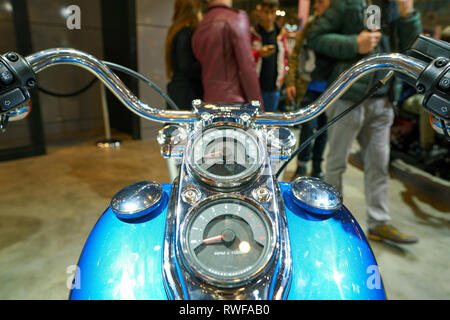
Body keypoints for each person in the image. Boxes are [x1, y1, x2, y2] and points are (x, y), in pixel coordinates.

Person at [307, 0, 422, 244]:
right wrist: (353, 44)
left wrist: (408, 14)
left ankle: (379, 223)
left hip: (383, 100)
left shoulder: (395, 8)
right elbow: (315, 37)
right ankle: (329, 220)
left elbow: (414, 51)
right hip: (349, 97)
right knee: (336, 163)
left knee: (379, 164)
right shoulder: (347, 4)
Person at [285, 0, 332, 179]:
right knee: (308, 128)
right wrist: (290, 82)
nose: (316, 6)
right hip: (308, 87)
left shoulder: (337, 27)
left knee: (324, 130)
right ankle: (302, 166)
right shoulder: (311, 25)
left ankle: (318, 167)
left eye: (321, 2)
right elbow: (296, 53)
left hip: (330, 88)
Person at [192, 0, 263, 106]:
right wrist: (258, 106)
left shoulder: (202, 24)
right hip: (235, 103)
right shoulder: (235, 18)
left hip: (209, 100)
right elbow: (247, 68)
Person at [165, 0, 203, 110]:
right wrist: (209, 65)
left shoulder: (176, 30)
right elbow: (187, 67)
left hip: (179, 90)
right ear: (194, 11)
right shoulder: (186, 33)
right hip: (187, 93)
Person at [251, 0, 288, 112]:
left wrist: (283, 80)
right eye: (266, 12)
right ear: (260, 11)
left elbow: (285, 57)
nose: (269, 16)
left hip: (274, 87)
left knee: (270, 122)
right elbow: (245, 58)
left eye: (272, 12)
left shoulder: (280, 34)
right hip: (256, 87)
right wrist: (258, 54)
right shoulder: (253, 33)